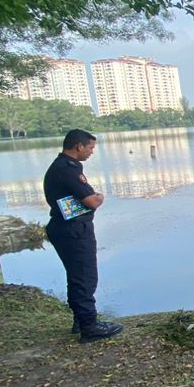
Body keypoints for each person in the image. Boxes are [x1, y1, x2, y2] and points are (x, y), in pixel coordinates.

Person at [43, 129, 122, 343]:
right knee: (85, 277)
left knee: (77, 276)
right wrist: (100, 197)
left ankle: (81, 320)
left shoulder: (63, 166)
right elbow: (92, 201)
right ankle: (90, 326)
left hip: (67, 227)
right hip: (73, 230)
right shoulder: (67, 169)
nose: (91, 152)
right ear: (78, 146)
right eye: (90, 147)